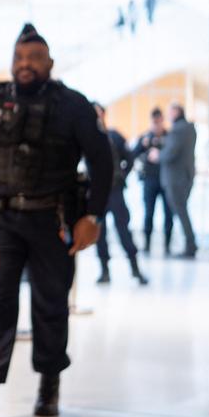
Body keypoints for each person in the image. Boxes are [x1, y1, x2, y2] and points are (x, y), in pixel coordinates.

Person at [0, 23, 112, 417]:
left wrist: (92, 216)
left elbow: (102, 161)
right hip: (2, 221)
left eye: (34, 59)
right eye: (20, 58)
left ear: (50, 63)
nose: (25, 65)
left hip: (52, 221)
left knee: (51, 305)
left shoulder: (74, 105)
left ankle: (50, 386)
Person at [92, 103, 147, 285]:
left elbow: (129, 158)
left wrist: (122, 175)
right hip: (98, 193)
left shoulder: (114, 136)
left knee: (123, 230)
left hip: (115, 191)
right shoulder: (88, 137)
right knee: (100, 233)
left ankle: (135, 269)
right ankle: (104, 270)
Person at [155, 102, 198, 258]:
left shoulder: (179, 130)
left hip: (176, 179)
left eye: (169, 112)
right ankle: (190, 244)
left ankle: (191, 245)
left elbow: (170, 154)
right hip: (184, 177)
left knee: (181, 212)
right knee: (181, 212)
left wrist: (157, 155)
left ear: (176, 112)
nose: (167, 116)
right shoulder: (189, 129)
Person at [131, 108, 174, 255]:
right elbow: (131, 154)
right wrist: (144, 145)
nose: (157, 125)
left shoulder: (170, 137)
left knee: (168, 214)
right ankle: (147, 244)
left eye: (159, 121)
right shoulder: (145, 137)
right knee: (149, 212)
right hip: (149, 181)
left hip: (167, 181)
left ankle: (167, 245)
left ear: (163, 121)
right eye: (154, 122)